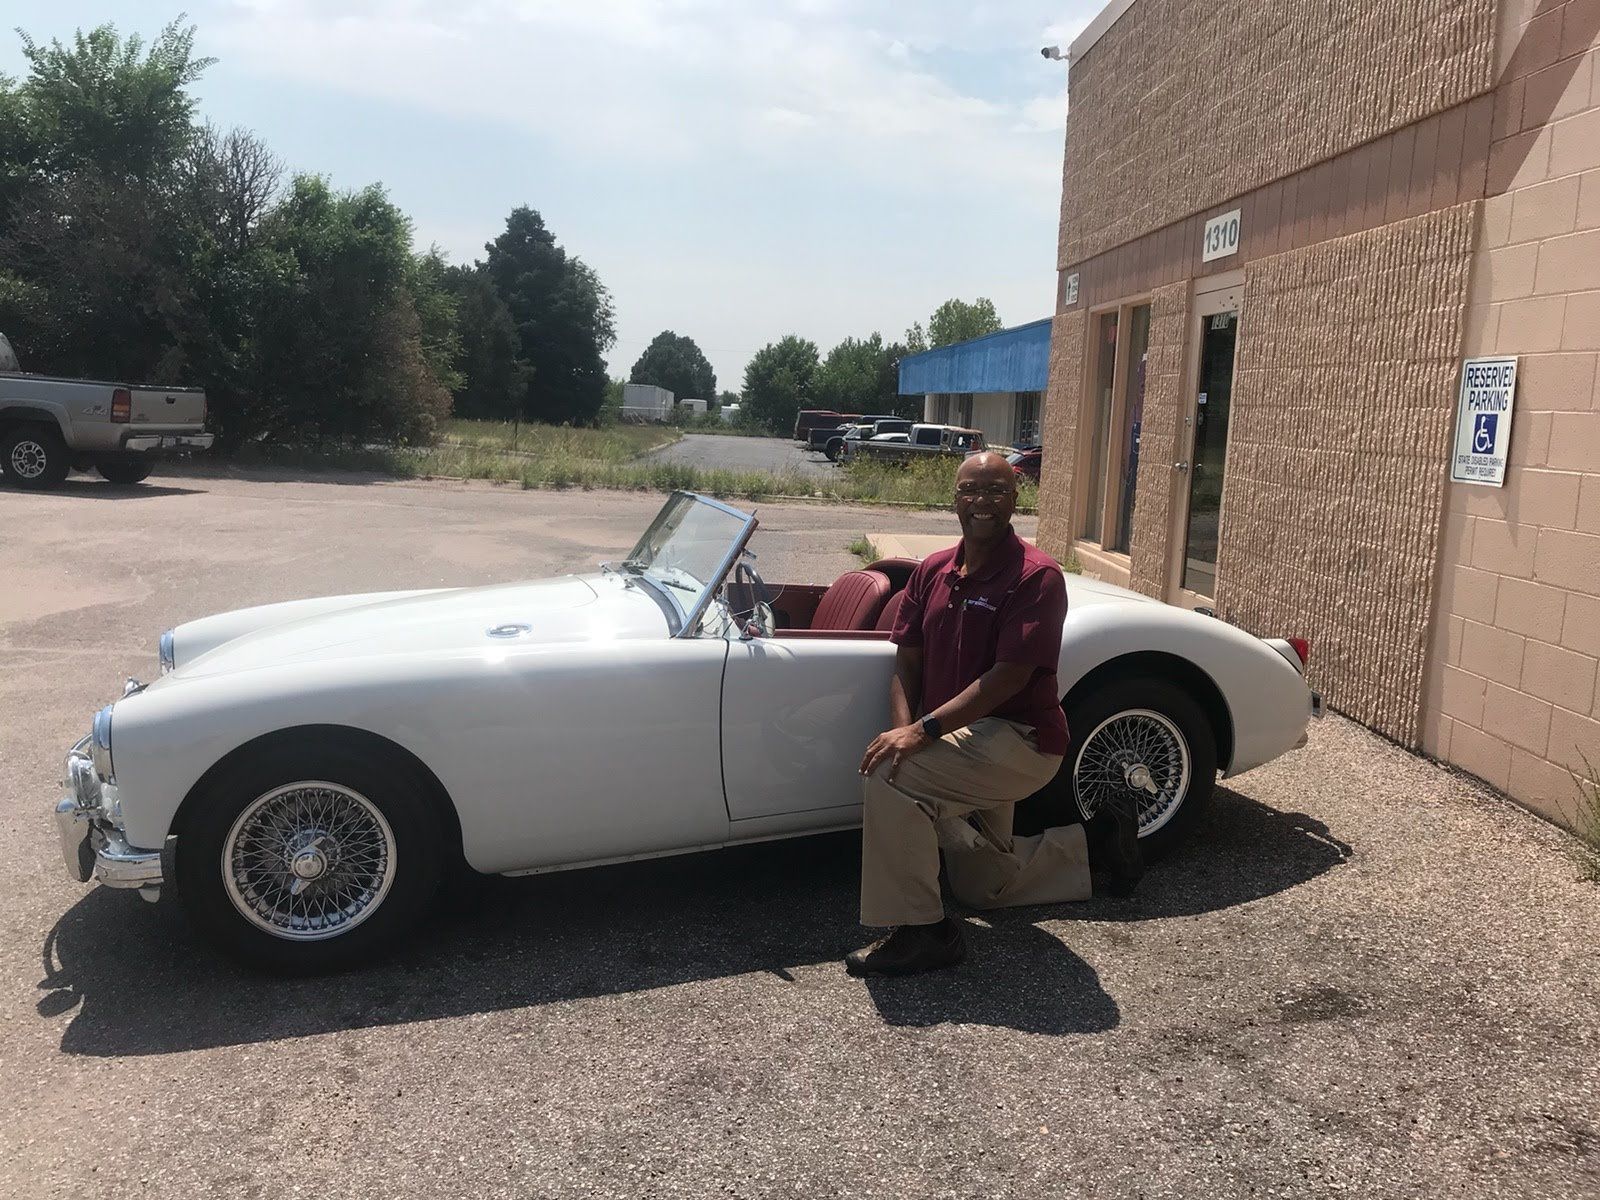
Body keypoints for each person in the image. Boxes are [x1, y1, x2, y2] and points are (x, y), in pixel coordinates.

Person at [846, 451, 1143, 977]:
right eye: (969, 490)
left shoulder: (1037, 576)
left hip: (1020, 740)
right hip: (960, 738)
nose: (981, 501)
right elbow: (906, 656)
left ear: (1015, 499)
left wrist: (920, 734)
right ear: (954, 497)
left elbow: (1010, 677)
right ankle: (1097, 844)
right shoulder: (934, 570)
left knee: (892, 778)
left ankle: (924, 933)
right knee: (984, 890)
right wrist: (902, 728)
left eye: (995, 491)